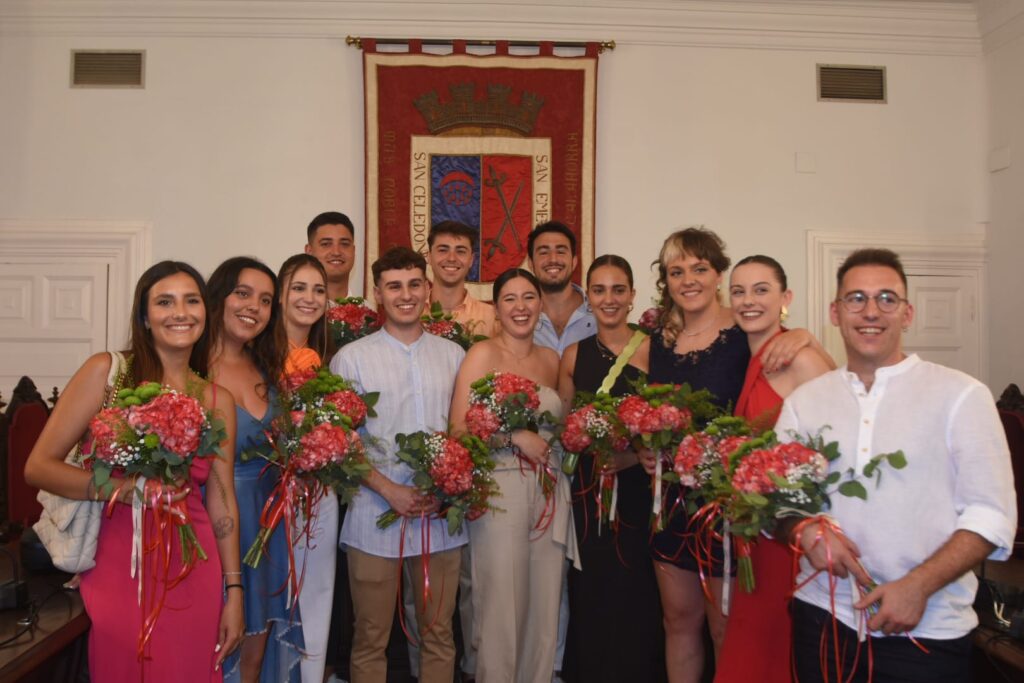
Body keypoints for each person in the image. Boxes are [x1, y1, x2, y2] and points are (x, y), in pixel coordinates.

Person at [776, 248, 1016, 683]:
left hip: (926, 629)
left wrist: (918, 586)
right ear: (835, 312)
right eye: (856, 298)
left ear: (907, 313)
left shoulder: (962, 396)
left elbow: (992, 515)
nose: (871, 311)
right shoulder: (803, 402)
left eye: (887, 298)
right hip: (823, 620)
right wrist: (803, 530)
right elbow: (777, 500)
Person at [25, 260, 244, 681]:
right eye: (165, 302)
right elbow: (38, 467)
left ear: (206, 312)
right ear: (144, 316)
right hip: (119, 563)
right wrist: (125, 489)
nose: (180, 312)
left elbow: (222, 500)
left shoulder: (218, 401)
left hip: (194, 566)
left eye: (191, 301)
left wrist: (233, 590)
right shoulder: (108, 373)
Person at [639, 228, 820, 683]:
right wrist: (646, 446)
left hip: (729, 505)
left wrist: (803, 335)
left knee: (727, 628)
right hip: (671, 501)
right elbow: (652, 413)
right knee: (677, 621)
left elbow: (817, 384)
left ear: (718, 275)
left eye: (699, 268)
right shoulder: (659, 340)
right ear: (666, 280)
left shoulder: (744, 331)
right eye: (676, 271)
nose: (688, 279)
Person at [330, 247, 466, 683]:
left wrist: (446, 485)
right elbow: (340, 441)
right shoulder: (351, 358)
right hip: (374, 516)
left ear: (428, 289)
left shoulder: (454, 355)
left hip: (437, 518)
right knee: (371, 637)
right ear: (378, 293)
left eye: (413, 285)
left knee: (438, 634)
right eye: (394, 286)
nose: (405, 295)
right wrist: (389, 489)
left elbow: (462, 432)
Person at [450, 267, 576, 683]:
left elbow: (559, 427)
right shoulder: (481, 355)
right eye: (510, 298)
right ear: (496, 308)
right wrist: (514, 437)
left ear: (540, 304)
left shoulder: (551, 359)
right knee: (500, 601)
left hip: (549, 489)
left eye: (528, 297)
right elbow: (458, 430)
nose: (520, 307)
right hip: (498, 490)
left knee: (545, 597)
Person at [714, 255, 832, 683]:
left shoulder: (799, 358)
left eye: (761, 290)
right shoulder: (751, 357)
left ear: (786, 298)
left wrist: (809, 340)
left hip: (790, 535)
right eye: (739, 291)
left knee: (776, 650)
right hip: (756, 532)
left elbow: (838, 442)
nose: (748, 301)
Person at [557, 255, 665, 683]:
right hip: (590, 488)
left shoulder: (655, 349)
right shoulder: (573, 354)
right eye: (599, 290)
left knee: (639, 588)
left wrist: (635, 455)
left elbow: (671, 420)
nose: (609, 299)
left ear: (633, 295)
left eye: (618, 290)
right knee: (593, 587)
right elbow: (565, 427)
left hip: (642, 487)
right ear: (588, 297)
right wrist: (588, 438)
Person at [206, 257, 303, 683]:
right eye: (243, 293)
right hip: (214, 524)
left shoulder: (267, 366)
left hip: (268, 527)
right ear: (217, 297)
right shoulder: (189, 369)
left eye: (265, 300)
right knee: (212, 649)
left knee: (255, 655)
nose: (254, 307)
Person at [277, 253, 339, 683]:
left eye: (318, 290)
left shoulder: (327, 356)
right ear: (280, 295)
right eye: (299, 288)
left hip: (319, 490)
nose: (309, 298)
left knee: (317, 591)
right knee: (276, 593)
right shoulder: (256, 353)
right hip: (271, 491)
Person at [528, 221, 595, 355]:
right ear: (531, 263)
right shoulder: (520, 317)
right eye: (543, 252)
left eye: (560, 252)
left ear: (574, 262)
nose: (553, 259)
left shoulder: (599, 313)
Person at [426, 220, 498, 337]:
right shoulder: (412, 313)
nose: (452, 258)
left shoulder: (492, 318)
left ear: (471, 260)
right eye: (443, 250)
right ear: (428, 257)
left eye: (460, 251)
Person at [305, 211, 357, 301]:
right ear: (309, 251)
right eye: (326, 244)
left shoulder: (367, 309)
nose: (336, 252)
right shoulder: (295, 307)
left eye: (344, 244)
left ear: (353, 251)